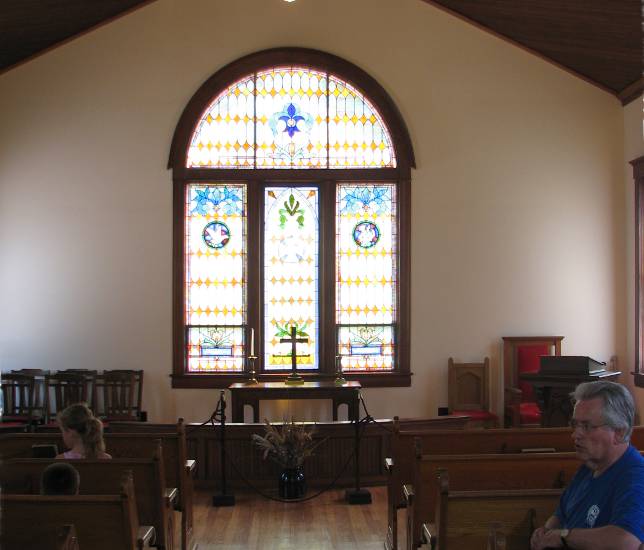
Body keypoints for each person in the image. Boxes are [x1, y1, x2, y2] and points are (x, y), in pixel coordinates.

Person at [530, 381, 644, 550]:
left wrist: (563, 536)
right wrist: (545, 533)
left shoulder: (635, 477)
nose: (575, 435)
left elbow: (626, 541)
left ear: (619, 432)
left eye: (587, 426)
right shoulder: (589, 466)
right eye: (575, 425)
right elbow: (561, 516)